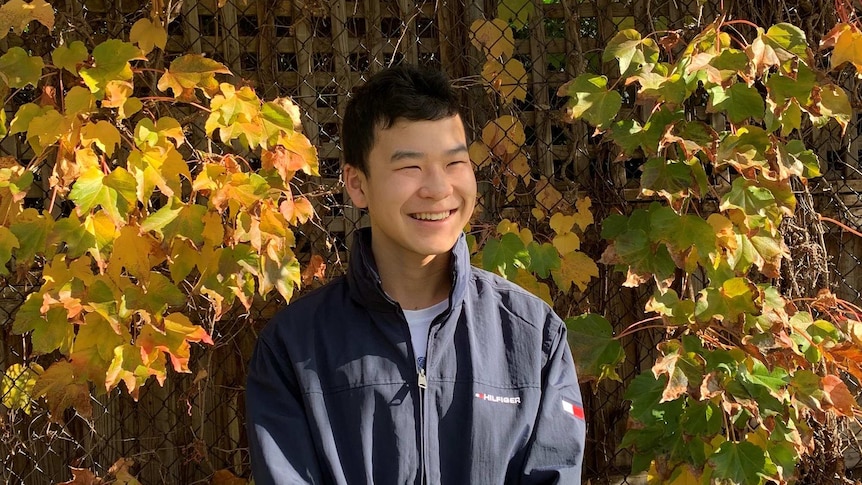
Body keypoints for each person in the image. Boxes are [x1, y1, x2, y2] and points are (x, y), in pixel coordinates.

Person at [245, 64, 586, 484]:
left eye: (455, 162)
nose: (438, 188)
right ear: (357, 184)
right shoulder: (294, 349)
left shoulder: (533, 337)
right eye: (410, 168)